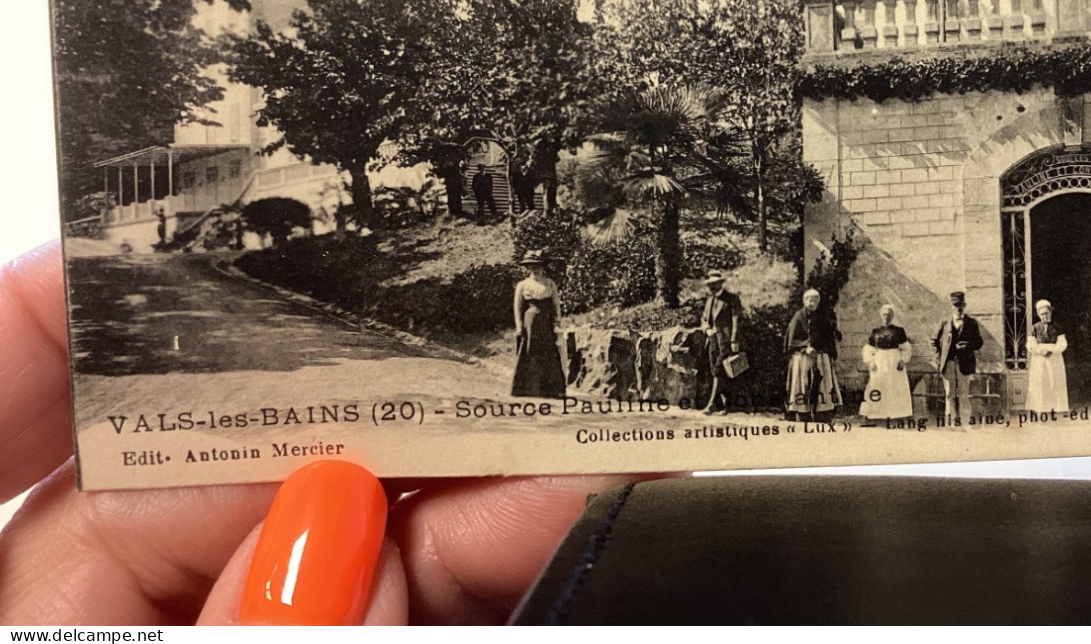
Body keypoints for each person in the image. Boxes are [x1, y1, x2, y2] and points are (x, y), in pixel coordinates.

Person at [0, 241, 655, 625]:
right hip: (525, 345)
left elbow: (552, 313)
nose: (538, 268)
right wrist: (519, 326)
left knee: (544, 382)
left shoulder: (550, 288)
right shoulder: (523, 287)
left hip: (545, 347)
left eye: (540, 262)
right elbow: (521, 314)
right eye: (537, 262)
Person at [511, 250, 566, 399]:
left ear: (543, 267)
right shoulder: (523, 285)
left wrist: (558, 323)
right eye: (530, 266)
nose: (534, 269)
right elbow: (517, 307)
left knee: (549, 353)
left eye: (537, 266)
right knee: (530, 352)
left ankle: (551, 390)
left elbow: (556, 306)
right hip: (530, 325)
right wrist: (519, 326)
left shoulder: (550, 284)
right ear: (527, 268)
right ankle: (528, 389)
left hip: (546, 324)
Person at [783, 287, 843, 421]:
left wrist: (829, 353)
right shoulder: (798, 317)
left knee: (823, 384)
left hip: (821, 357)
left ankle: (822, 412)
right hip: (803, 358)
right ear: (805, 301)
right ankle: (802, 412)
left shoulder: (822, 317)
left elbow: (828, 336)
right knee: (802, 384)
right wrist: (805, 347)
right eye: (810, 300)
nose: (812, 303)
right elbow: (791, 339)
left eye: (815, 300)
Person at [932, 291, 984, 427]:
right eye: (956, 305)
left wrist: (968, 345)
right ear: (952, 306)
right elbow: (933, 341)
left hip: (965, 363)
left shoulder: (971, 323)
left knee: (964, 393)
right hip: (948, 363)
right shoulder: (944, 322)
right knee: (949, 393)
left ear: (964, 305)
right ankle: (951, 422)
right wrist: (938, 360)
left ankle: (966, 422)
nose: (958, 308)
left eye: (961, 305)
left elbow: (979, 342)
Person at [699, 269, 744, 414]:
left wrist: (734, 340)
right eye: (710, 284)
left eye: (714, 284)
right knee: (717, 371)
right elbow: (704, 319)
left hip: (727, 341)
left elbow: (736, 320)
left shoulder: (732, 299)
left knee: (721, 371)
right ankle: (726, 405)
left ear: (720, 284)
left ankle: (712, 404)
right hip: (713, 341)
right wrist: (707, 330)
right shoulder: (710, 300)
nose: (711, 287)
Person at [860, 303, 913, 423]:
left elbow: (906, 348)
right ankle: (876, 413)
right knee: (878, 384)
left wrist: (902, 360)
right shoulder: (875, 331)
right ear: (880, 316)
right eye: (884, 314)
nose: (886, 317)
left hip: (894, 360)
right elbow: (868, 349)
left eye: (889, 314)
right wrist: (870, 362)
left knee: (896, 386)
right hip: (879, 361)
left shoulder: (899, 331)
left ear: (892, 316)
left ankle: (898, 413)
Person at [1025, 298, 1070, 413]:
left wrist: (1053, 350)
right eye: (1042, 314)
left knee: (1054, 383)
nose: (1044, 316)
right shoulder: (1034, 328)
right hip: (1039, 360)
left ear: (1050, 312)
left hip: (1054, 359)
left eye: (1046, 313)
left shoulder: (1058, 327)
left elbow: (1062, 344)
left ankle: (1056, 409)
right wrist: (1040, 351)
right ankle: (1041, 409)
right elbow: (1030, 344)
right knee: (1040, 384)